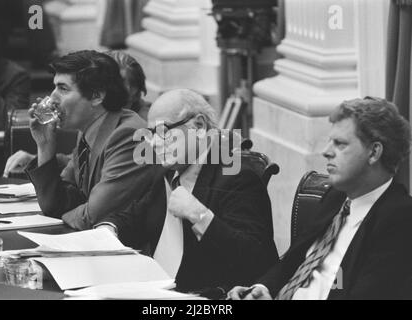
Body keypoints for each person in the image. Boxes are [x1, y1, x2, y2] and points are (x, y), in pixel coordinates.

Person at [96, 88, 279, 293]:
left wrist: (198, 214)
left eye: (163, 131)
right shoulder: (168, 172)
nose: (154, 143)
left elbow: (257, 259)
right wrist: (109, 229)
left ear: (199, 126)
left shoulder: (237, 176)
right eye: (150, 134)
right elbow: (136, 216)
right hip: (154, 290)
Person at [228, 97, 412, 300]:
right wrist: (262, 288)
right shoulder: (337, 197)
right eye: (329, 142)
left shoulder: (400, 220)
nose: (326, 152)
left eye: (340, 144)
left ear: (374, 152)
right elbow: (293, 259)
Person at [24, 50, 154, 230]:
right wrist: (45, 145)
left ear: (96, 96)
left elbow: (91, 217)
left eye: (63, 89)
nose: (52, 98)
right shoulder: (88, 130)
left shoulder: (129, 135)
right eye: (54, 87)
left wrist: (62, 214)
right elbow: (55, 203)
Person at [3, 50, 149, 177]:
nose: (111, 87)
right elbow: (80, 163)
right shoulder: (94, 122)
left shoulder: (155, 124)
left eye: (118, 82)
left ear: (137, 91)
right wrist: (40, 156)